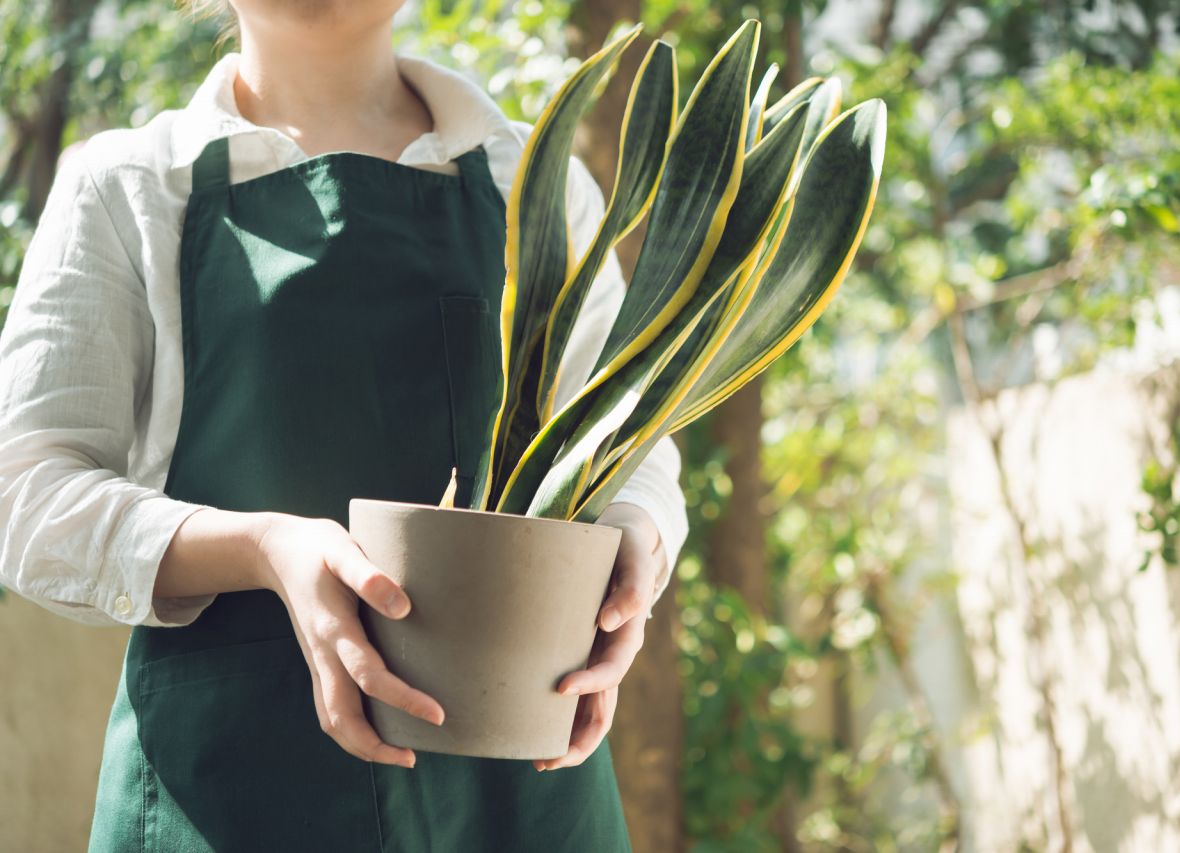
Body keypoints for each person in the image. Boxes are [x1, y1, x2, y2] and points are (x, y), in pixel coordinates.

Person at [0, 1, 690, 850]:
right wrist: (266, 548)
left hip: (519, 791)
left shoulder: (530, 180)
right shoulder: (129, 185)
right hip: (228, 790)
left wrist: (633, 540)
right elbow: (27, 495)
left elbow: (629, 440)